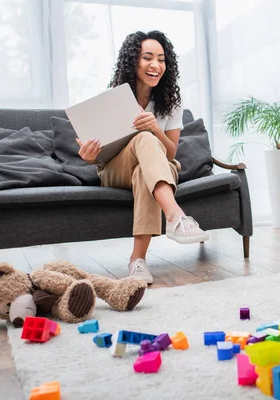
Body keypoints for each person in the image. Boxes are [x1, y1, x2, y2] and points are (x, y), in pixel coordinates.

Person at [76, 30, 208, 284]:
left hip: (158, 167)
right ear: (133, 61)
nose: (155, 65)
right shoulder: (112, 97)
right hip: (115, 169)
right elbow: (101, 156)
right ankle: (176, 217)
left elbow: (170, 152)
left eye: (161, 59)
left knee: (144, 167)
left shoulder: (171, 101)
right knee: (143, 140)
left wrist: (155, 128)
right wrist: (89, 156)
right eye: (148, 57)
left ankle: (137, 261)